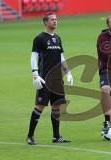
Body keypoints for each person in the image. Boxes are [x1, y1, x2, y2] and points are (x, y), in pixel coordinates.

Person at [26, 12, 74, 145]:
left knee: (56, 107)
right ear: (45, 22)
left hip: (57, 79)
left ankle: (56, 136)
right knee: (39, 106)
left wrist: (68, 72)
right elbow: (34, 57)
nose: (55, 21)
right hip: (44, 78)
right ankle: (30, 136)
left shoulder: (57, 38)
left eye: (56, 19)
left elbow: (61, 57)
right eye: (52, 20)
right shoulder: (39, 38)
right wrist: (35, 74)